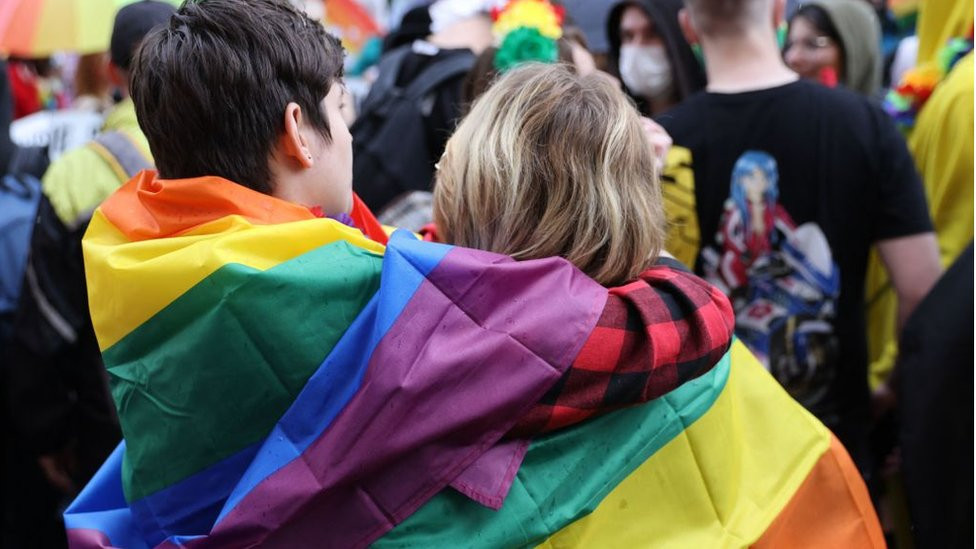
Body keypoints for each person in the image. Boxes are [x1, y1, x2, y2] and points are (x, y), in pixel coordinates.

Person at [64, 1, 737, 545]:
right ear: (299, 131)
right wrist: (675, 272)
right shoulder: (354, 295)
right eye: (345, 115)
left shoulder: (154, 265)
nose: (353, 140)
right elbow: (632, 334)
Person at [419, 61, 883, 547]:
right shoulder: (689, 340)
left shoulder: (403, 332)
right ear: (635, 194)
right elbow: (827, 506)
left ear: (473, 185)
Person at [655, 0, 941, 479]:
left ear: (688, 27)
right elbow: (920, 290)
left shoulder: (664, 146)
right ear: (778, 13)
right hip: (833, 446)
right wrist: (890, 391)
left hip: (717, 458)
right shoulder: (865, 123)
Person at [3, 1, 175, 544]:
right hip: (220, 435)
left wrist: (48, 436)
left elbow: (46, 326)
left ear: (113, 70)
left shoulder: (76, 176)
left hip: (111, 437)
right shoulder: (233, 154)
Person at [606, 0, 706, 116]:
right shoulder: (614, 121)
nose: (637, 46)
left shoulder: (707, 118)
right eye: (628, 36)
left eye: (651, 34)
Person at [784, 0, 883, 96]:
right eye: (790, 45)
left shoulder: (885, 111)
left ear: (854, 50)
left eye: (812, 44)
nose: (792, 58)